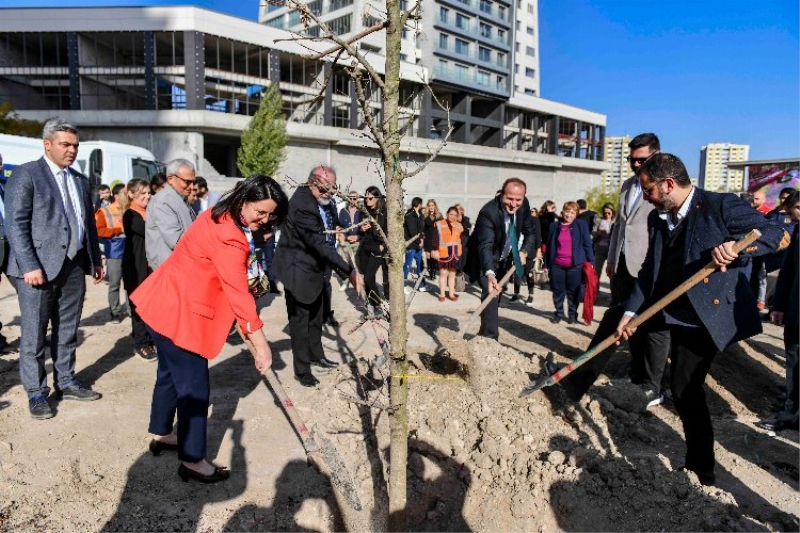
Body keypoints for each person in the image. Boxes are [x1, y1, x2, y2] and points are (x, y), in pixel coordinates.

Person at [616, 153, 786, 486]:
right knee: (656, 363)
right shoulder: (657, 218)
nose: (646, 197)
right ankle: (651, 399)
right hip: (671, 309)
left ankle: (701, 470)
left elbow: (776, 235)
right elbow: (651, 271)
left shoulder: (719, 206)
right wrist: (629, 312)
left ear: (668, 185)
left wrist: (736, 248)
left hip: (705, 316)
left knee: (684, 387)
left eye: (649, 189)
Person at [131, 174, 287, 483]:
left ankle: (162, 433)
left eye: (271, 215)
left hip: (163, 303)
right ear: (244, 200)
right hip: (182, 314)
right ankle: (191, 459)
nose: (264, 220)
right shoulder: (230, 236)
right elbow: (239, 294)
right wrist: (261, 343)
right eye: (260, 212)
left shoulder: (219, 212)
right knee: (194, 389)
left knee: (168, 375)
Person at [5, 118, 105, 420]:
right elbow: (16, 225)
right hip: (36, 270)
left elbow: (87, 224)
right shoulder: (27, 174)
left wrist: (95, 260)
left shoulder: (79, 179)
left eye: (75, 145)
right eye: (65, 144)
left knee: (68, 329)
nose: (72, 150)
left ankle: (66, 381)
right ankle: (36, 392)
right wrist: (29, 265)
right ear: (47, 144)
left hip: (73, 266)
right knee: (34, 334)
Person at [272, 166, 360, 388]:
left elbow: (331, 223)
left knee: (316, 316)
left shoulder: (325, 199)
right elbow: (318, 243)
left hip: (317, 268)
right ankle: (302, 370)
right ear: (312, 182)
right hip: (298, 269)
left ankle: (316, 354)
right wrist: (349, 271)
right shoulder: (301, 204)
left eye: (333, 190)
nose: (329, 194)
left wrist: (348, 230)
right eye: (325, 189)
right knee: (300, 322)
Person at [606, 133, 665, 402]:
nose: (636, 164)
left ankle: (653, 384)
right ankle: (636, 373)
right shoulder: (628, 185)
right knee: (628, 323)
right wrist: (611, 258)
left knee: (652, 328)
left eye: (641, 159)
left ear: (656, 155)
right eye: (632, 159)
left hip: (649, 265)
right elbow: (621, 225)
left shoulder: (666, 186)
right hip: (623, 266)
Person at [468, 178, 539, 340]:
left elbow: (530, 232)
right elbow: (485, 245)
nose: (513, 204)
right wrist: (490, 273)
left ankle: (484, 333)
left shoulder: (524, 205)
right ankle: (491, 338)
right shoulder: (488, 212)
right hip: (484, 259)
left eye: (518, 199)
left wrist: (524, 251)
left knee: (495, 296)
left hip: (505, 258)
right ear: (501, 195)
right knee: (491, 291)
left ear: (524, 197)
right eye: (509, 199)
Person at [763, 190, 799, 431]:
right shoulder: (798, 231)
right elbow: (787, 270)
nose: (790, 216)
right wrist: (779, 306)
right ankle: (791, 410)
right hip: (796, 311)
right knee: (794, 360)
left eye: (793, 210)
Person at [122, 178, 157, 362]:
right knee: (138, 307)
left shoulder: (149, 212)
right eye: (142, 193)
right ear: (131, 194)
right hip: (136, 268)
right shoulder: (131, 215)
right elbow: (149, 232)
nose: (147, 196)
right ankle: (141, 343)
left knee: (151, 306)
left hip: (149, 267)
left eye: (148, 193)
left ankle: (151, 339)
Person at [544, 201, 594, 324]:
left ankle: (572, 315)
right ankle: (559, 313)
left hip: (575, 266)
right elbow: (549, 246)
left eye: (573, 212)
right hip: (557, 265)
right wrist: (546, 264)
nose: (570, 215)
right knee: (558, 291)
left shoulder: (581, 225)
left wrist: (591, 261)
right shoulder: (554, 226)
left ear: (576, 214)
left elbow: (587, 244)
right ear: (563, 212)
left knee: (573, 292)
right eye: (568, 212)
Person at [145, 159, 197, 270]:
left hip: (181, 266)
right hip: (169, 269)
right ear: (170, 179)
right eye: (187, 182)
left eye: (193, 182)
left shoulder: (179, 199)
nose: (192, 187)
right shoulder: (163, 201)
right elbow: (176, 240)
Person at [95, 183, 129, 322]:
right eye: (124, 194)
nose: (127, 196)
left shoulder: (129, 210)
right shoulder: (104, 211)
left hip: (129, 251)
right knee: (114, 284)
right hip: (114, 252)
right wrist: (118, 230)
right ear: (116, 196)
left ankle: (131, 309)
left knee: (130, 283)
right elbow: (100, 231)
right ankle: (115, 312)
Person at [357, 186, 389, 314]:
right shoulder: (364, 211)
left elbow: (390, 231)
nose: (367, 200)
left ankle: (380, 304)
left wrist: (383, 246)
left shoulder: (384, 213)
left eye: (370, 198)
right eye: (365, 197)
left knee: (369, 277)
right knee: (367, 279)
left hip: (377, 248)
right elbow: (359, 229)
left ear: (377, 198)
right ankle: (371, 306)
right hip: (365, 247)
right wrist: (361, 229)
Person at [431, 206, 464, 301]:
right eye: (451, 214)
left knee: (452, 274)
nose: (453, 216)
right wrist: (434, 250)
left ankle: (452, 294)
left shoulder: (459, 225)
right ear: (447, 214)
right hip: (443, 253)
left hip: (455, 253)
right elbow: (435, 239)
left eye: (455, 215)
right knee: (443, 273)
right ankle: (442, 294)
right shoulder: (439, 224)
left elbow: (461, 239)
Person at [510, 205, 540, 306]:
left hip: (530, 250)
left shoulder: (533, 220)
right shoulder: (513, 220)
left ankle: (530, 295)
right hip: (516, 249)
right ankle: (516, 294)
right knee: (517, 273)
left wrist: (538, 251)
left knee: (529, 273)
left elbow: (538, 236)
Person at [337, 190, 362, 292]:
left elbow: (364, 227)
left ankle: (360, 282)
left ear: (357, 199)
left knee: (359, 262)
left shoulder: (361, 211)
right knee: (345, 262)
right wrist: (346, 237)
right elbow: (340, 226)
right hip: (346, 240)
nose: (352, 200)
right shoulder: (343, 211)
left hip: (358, 240)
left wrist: (357, 237)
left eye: (354, 198)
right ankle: (345, 282)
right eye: (350, 198)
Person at [403, 197, 425, 293]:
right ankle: (403, 285)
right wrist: (419, 240)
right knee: (408, 265)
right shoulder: (409, 215)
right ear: (419, 204)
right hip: (411, 244)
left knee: (420, 264)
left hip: (418, 245)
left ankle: (421, 285)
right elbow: (412, 231)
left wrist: (422, 239)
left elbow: (421, 229)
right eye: (421, 204)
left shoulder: (419, 215)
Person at [593, 202, 616, 277]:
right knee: (597, 271)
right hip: (600, 248)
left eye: (609, 213)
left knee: (612, 272)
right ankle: (595, 288)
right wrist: (598, 233)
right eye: (605, 213)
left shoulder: (616, 222)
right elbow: (594, 232)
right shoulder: (600, 221)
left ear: (612, 212)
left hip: (612, 250)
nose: (607, 215)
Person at [423, 199, 442, 286]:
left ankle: (433, 272)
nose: (431, 207)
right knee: (428, 256)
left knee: (434, 255)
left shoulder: (439, 215)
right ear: (428, 207)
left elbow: (442, 227)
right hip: (427, 238)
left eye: (432, 205)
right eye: (429, 206)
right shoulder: (425, 216)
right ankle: (430, 270)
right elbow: (423, 228)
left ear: (435, 206)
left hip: (436, 238)